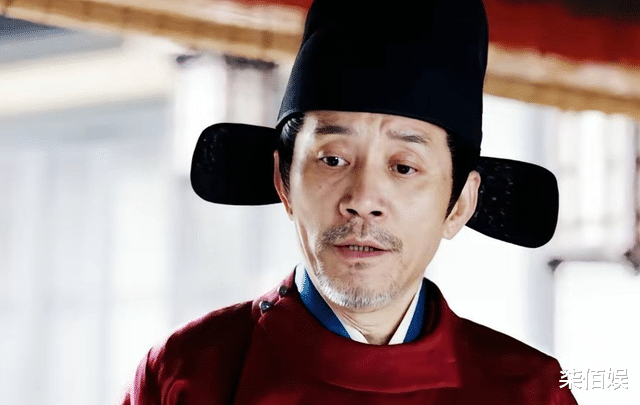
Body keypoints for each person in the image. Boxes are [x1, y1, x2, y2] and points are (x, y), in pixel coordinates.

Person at [122, 0, 578, 403]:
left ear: (459, 205)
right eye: (333, 159)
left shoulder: (530, 392)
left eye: (404, 167)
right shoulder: (187, 374)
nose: (362, 200)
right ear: (284, 181)